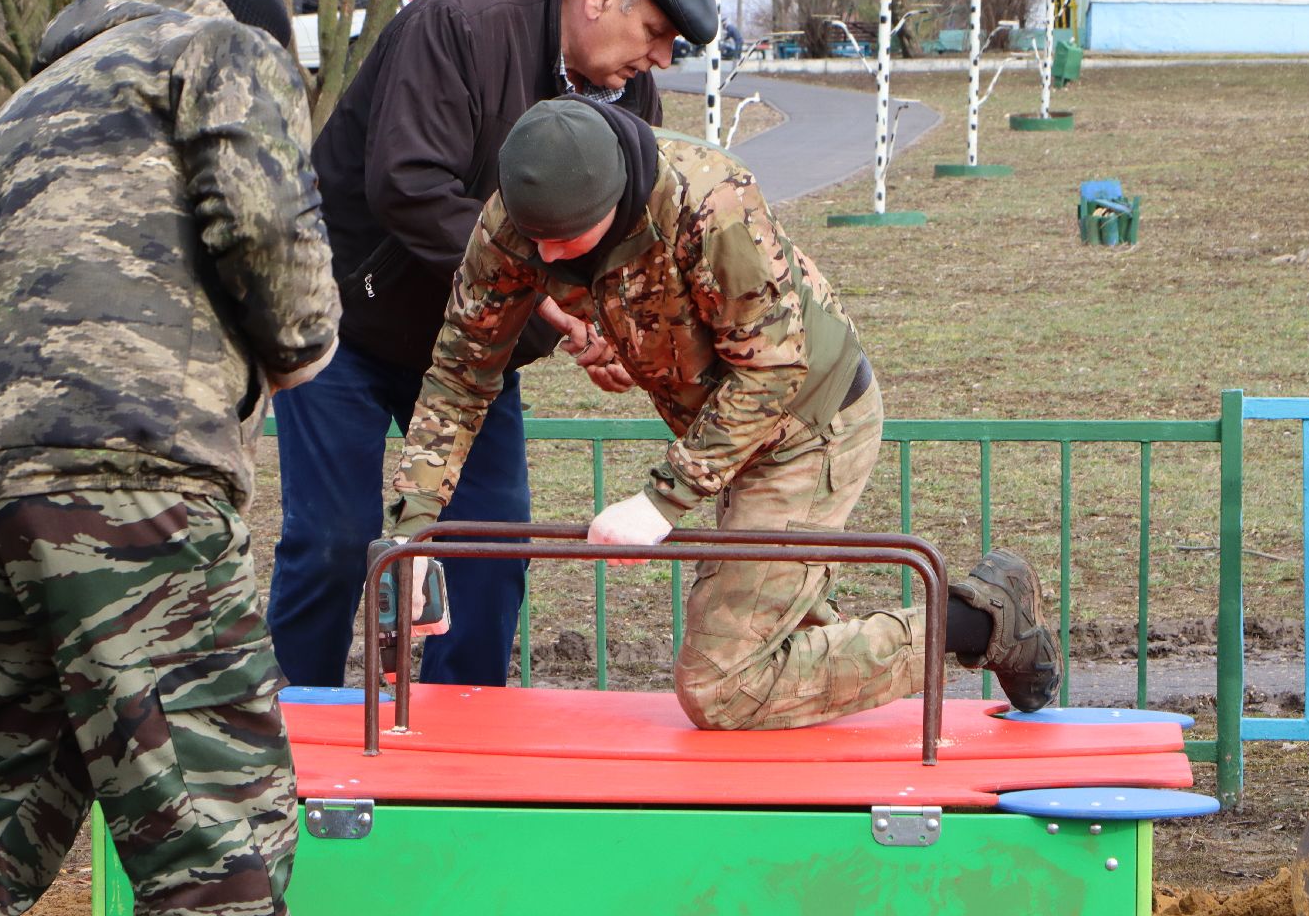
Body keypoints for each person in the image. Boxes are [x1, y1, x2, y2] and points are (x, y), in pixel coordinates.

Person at [0, 0, 338, 916]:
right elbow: (264, 221)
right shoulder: (221, 49)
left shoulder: (31, 100)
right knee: (215, 826)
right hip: (134, 473)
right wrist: (302, 343)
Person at [386, 97, 1062, 730]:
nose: (548, 260)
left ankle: (984, 621)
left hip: (808, 423)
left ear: (613, 200)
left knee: (725, 683)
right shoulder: (514, 226)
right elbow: (459, 377)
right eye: (535, 242)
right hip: (724, 428)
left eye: (567, 241)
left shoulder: (711, 201)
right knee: (782, 647)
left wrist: (661, 501)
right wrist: (410, 538)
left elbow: (772, 369)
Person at [268, 0, 720, 687]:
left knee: (494, 541)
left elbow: (609, 239)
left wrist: (601, 324)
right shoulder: (465, 23)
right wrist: (540, 293)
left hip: (480, 345)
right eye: (654, 33)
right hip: (346, 322)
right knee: (334, 539)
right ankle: (291, 732)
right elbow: (407, 186)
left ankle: (461, 730)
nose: (659, 58)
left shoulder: (629, 102)